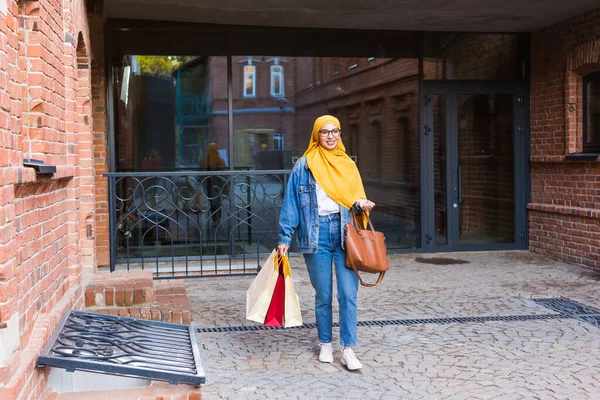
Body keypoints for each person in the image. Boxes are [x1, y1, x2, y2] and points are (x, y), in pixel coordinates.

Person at [277, 115, 375, 371]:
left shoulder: (348, 165)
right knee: (323, 295)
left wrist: (362, 204)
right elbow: (292, 203)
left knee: (348, 294)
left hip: (345, 235)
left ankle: (348, 349)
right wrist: (284, 237)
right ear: (316, 135)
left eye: (335, 132)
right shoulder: (304, 165)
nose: (330, 136)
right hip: (315, 235)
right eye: (325, 132)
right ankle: (325, 344)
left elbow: (354, 198)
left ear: (340, 135)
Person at [203, 143, 228, 225]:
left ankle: (216, 220)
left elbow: (223, 172)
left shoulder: (213, 159)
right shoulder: (209, 159)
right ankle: (216, 219)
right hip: (212, 183)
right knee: (215, 202)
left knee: (215, 202)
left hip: (214, 183)